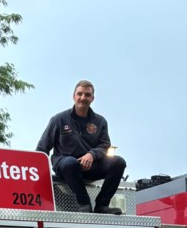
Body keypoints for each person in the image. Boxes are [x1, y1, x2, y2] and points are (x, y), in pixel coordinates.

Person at [36, 79, 126, 214]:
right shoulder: (59, 119)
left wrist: (91, 154)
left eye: (87, 95)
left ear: (92, 98)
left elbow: (104, 144)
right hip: (65, 164)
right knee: (70, 163)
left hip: (90, 165)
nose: (83, 98)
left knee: (119, 162)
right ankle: (84, 204)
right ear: (74, 96)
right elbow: (42, 149)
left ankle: (101, 205)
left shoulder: (100, 121)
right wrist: (39, 177)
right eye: (80, 94)